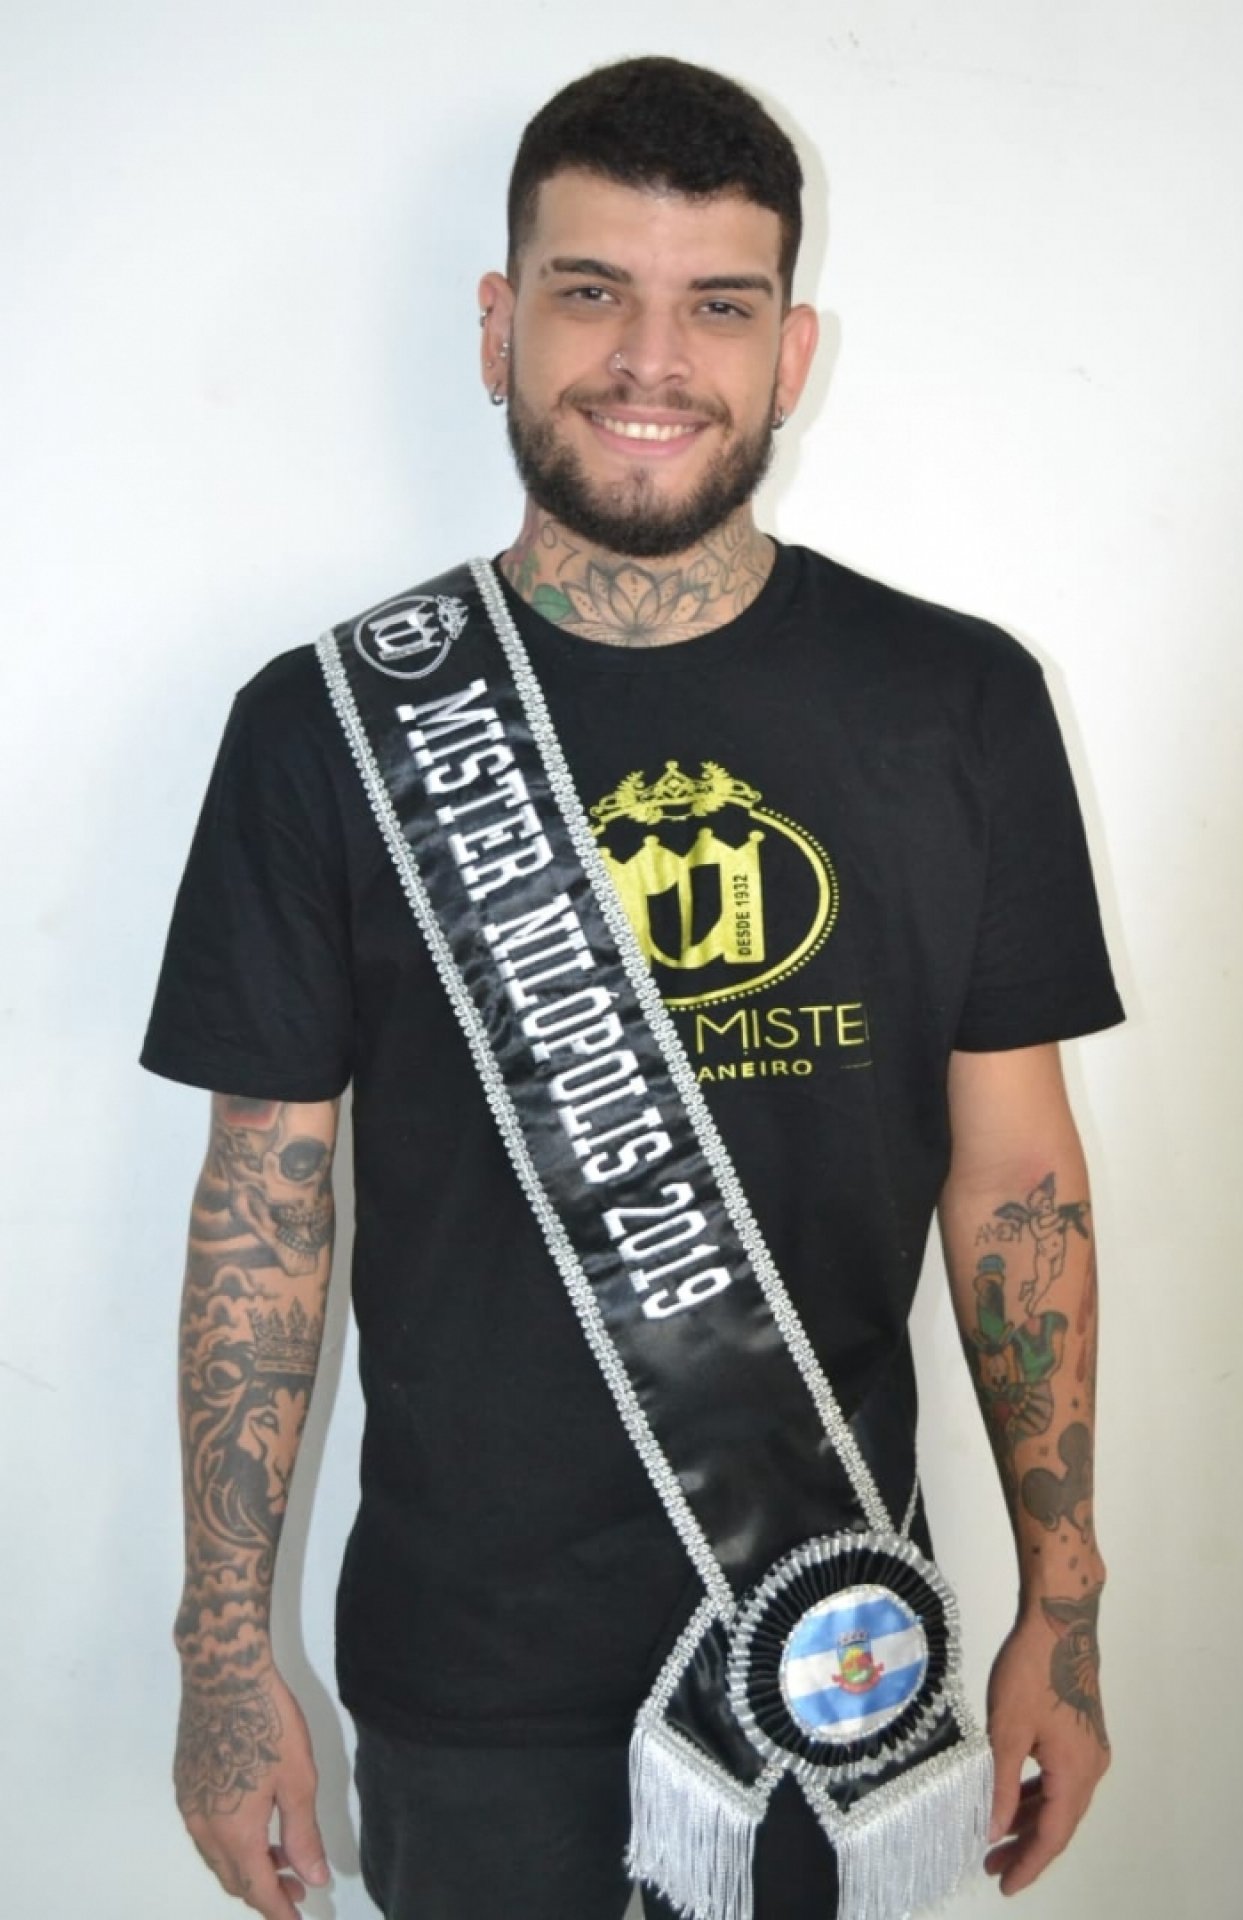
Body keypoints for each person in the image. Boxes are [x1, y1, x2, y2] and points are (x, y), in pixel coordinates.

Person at [143, 55, 1121, 1920]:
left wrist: (1060, 1614)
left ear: (792, 351)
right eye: (590, 291)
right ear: (498, 325)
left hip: (839, 1644)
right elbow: (261, 1206)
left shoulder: (958, 706)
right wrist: (216, 1655)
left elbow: (1019, 1183)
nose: (650, 360)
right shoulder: (324, 729)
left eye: (718, 306)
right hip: (465, 1678)